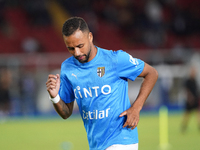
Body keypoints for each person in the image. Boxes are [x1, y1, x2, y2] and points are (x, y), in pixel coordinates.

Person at [46, 17, 158, 150]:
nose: (77, 53)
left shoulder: (115, 59)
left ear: (90, 37)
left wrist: (136, 108)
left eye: (80, 46)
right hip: (96, 143)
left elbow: (152, 73)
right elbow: (66, 113)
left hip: (122, 138)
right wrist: (54, 97)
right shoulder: (68, 68)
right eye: (70, 48)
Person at [181, 67, 200, 133]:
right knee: (187, 114)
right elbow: (187, 90)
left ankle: (199, 126)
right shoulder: (188, 81)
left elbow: (196, 90)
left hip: (195, 99)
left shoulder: (195, 80)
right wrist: (190, 98)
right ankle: (183, 126)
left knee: (198, 113)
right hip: (190, 100)